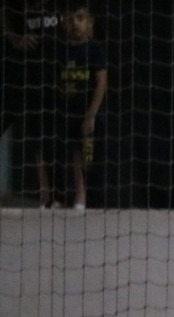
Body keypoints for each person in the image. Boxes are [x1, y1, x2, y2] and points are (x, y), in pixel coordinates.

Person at [35, 1, 105, 210]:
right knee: (54, 152)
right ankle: (50, 197)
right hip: (63, 112)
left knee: (84, 156)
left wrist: (91, 115)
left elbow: (102, 82)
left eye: (80, 18)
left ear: (90, 22)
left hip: (85, 114)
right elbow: (55, 79)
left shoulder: (94, 50)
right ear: (63, 23)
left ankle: (82, 198)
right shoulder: (60, 50)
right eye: (70, 18)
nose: (74, 23)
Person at [1, 1, 60, 201]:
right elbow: (5, 10)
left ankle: (50, 197)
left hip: (51, 77)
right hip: (18, 72)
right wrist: (13, 37)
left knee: (47, 138)